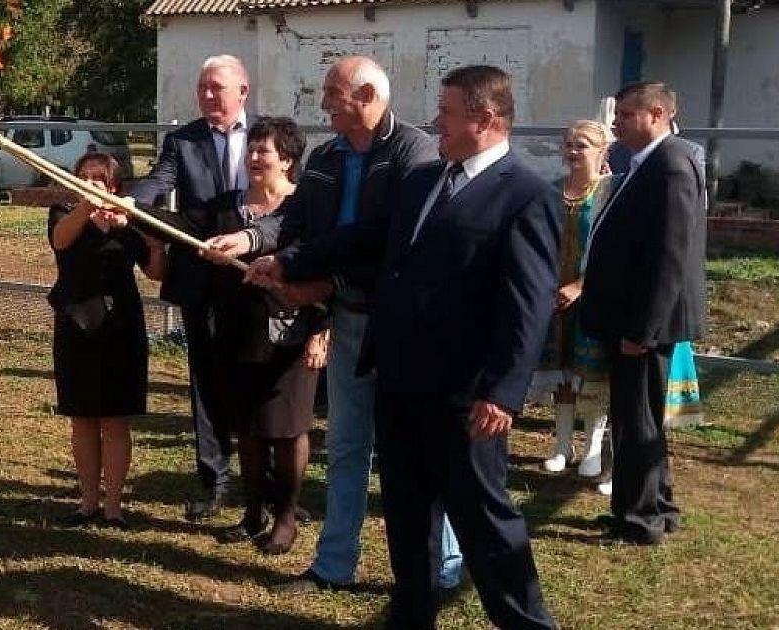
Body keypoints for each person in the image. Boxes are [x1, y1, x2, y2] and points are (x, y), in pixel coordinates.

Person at [245, 65, 558, 628]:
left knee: (485, 521)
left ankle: (526, 622)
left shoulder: (525, 194)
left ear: (484, 119)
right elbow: (363, 238)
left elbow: (529, 306)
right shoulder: (428, 179)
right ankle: (411, 613)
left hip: (465, 399)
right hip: (398, 380)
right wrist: (287, 260)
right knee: (407, 515)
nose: (435, 118)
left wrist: (504, 393)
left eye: (448, 110)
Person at [206, 56, 464, 592]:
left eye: (332, 94)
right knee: (346, 447)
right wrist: (250, 240)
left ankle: (443, 571)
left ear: (366, 96)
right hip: (347, 323)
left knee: (417, 453)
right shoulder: (325, 157)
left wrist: (319, 279)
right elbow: (292, 220)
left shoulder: (413, 155)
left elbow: (390, 238)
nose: (323, 105)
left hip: (400, 329)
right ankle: (334, 567)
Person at [190, 117, 328, 554]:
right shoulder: (226, 207)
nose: (252, 158)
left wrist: (322, 332)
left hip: (292, 335)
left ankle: (285, 516)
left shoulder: (305, 208)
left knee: (286, 429)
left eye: (262, 151)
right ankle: (253, 513)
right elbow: (181, 230)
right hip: (237, 334)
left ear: (286, 160)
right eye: (250, 150)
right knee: (248, 428)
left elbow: (327, 272)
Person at [580, 81, 706, 545]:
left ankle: (638, 522)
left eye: (625, 115)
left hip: (642, 324)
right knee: (641, 417)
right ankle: (659, 506)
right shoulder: (648, 161)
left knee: (636, 423)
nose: (615, 123)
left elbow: (669, 256)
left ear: (655, 113)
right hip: (632, 319)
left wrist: (643, 329)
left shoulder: (670, 164)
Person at [129, 54, 252, 520]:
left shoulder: (265, 135)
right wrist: (129, 201)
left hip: (254, 274)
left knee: (259, 379)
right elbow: (158, 183)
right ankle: (215, 480)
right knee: (207, 380)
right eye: (201, 87)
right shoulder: (183, 142)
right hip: (201, 275)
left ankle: (269, 485)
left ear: (243, 91)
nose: (205, 95)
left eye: (215, 87)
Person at [47, 152, 167, 528]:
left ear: (114, 187)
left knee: (115, 420)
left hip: (120, 328)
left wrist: (151, 238)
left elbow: (156, 271)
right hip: (76, 326)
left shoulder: (128, 223)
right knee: (82, 417)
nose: (89, 184)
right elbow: (61, 241)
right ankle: (87, 503)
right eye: (82, 177)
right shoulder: (64, 212)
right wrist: (86, 207)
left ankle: (113, 507)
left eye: (98, 180)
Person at [535, 120, 614, 478]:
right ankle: (562, 445)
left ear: (602, 151)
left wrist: (582, 285)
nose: (572, 151)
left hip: (594, 296)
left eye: (581, 145)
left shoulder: (609, 194)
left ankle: (592, 448)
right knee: (562, 373)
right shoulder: (551, 192)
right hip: (554, 297)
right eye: (568, 144)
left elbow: (615, 253)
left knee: (593, 376)